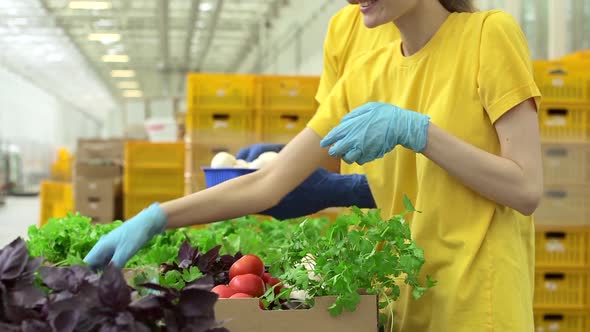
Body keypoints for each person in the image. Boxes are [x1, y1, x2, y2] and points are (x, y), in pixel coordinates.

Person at [85, 0, 543, 331]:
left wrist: (423, 134)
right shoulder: (364, 73)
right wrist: (158, 216)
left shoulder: (488, 36)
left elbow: (526, 189)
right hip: (404, 301)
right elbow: (267, 184)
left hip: (480, 304)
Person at [236, 0, 401, 219]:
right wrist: (293, 160)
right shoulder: (346, 25)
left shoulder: (457, 33)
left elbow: (448, 171)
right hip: (365, 240)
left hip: (431, 243)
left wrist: (351, 189)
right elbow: (340, 142)